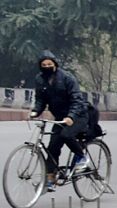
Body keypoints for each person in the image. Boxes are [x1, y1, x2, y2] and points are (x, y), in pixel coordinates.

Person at [30, 51, 88, 191]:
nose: (47, 67)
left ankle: (82, 157)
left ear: (55, 64)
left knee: (66, 135)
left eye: (49, 64)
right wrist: (35, 111)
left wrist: (71, 116)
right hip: (60, 118)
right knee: (52, 148)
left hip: (78, 116)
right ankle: (50, 179)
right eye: (44, 65)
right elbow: (41, 99)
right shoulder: (40, 79)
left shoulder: (67, 78)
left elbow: (77, 99)